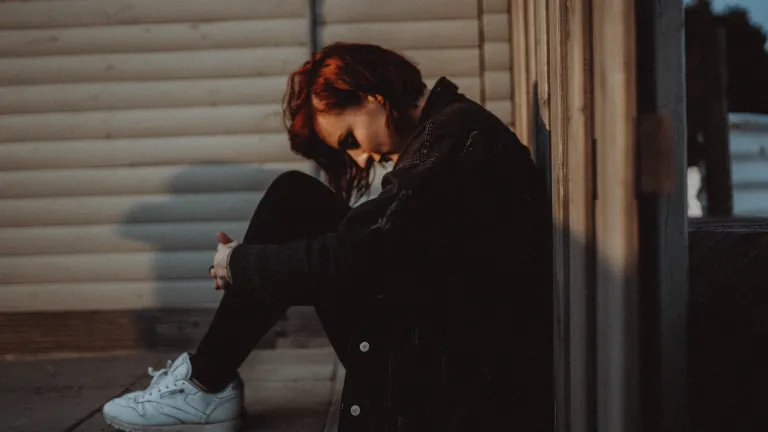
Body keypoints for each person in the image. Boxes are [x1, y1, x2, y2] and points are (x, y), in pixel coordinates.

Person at [102, 42, 554, 432]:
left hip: (449, 379)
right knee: (296, 201)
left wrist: (241, 265)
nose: (360, 161)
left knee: (294, 201)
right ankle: (206, 381)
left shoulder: (452, 138)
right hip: (444, 351)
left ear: (372, 94)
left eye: (350, 139)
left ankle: (205, 384)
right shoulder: (450, 131)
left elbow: (357, 255)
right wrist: (253, 262)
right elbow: (376, 247)